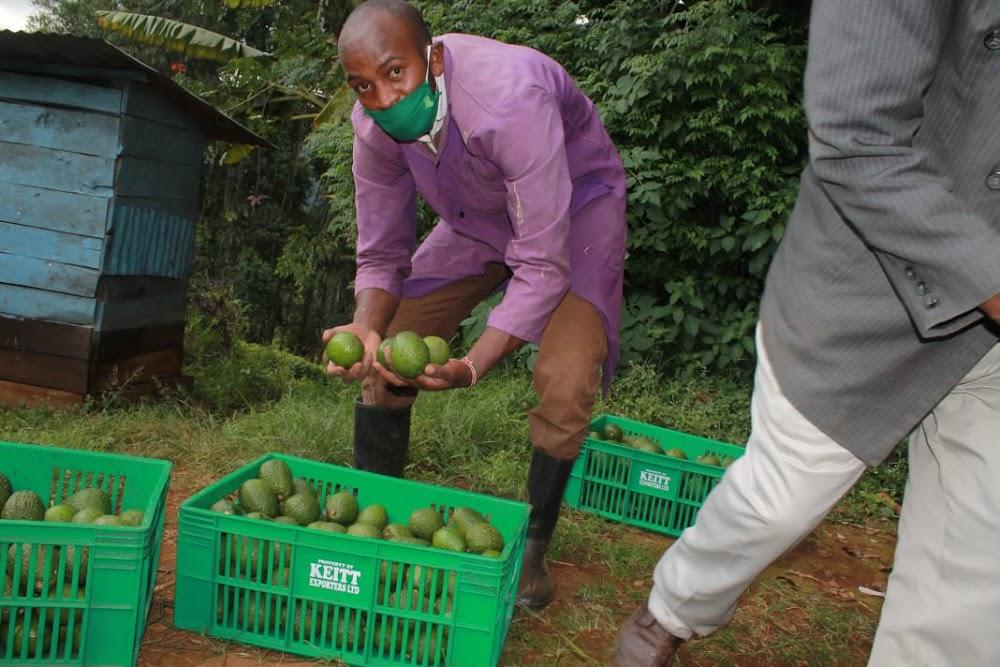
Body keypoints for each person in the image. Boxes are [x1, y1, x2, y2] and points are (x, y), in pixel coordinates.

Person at [612, 1, 1000, 665]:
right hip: (867, 289)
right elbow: (857, 136)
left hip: (987, 344)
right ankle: (669, 611)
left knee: (980, 552)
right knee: (777, 503)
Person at [322, 0, 626, 610]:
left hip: (573, 214)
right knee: (391, 353)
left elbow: (542, 261)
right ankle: (376, 532)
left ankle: (533, 550)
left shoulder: (509, 102)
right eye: (363, 86)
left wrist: (472, 365)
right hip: (475, 221)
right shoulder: (373, 130)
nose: (382, 98)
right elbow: (382, 252)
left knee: (565, 380)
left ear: (432, 59)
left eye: (394, 74)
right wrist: (365, 327)